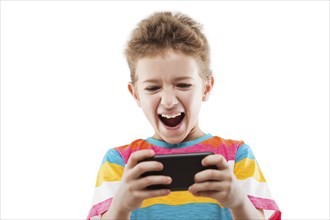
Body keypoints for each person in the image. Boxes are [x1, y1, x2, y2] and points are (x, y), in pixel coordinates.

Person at [87, 11, 281, 220]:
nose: (169, 101)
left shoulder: (236, 157)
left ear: (206, 87)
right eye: (153, 88)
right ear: (135, 94)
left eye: (183, 85)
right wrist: (121, 207)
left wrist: (238, 201)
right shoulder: (120, 163)